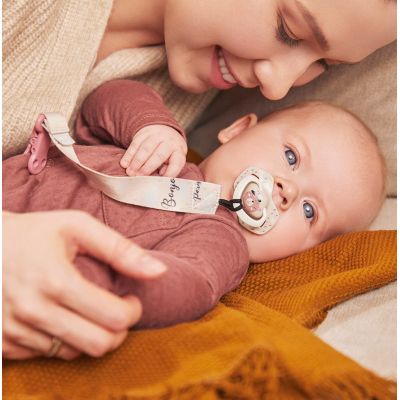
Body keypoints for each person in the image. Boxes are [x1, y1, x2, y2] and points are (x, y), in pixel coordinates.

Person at [3, 0, 396, 360]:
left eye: (310, 211)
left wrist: (116, 287)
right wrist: (152, 126)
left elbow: (191, 283)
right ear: (238, 130)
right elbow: (108, 104)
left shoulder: (218, 241)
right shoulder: (167, 143)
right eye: (289, 28)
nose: (276, 88)